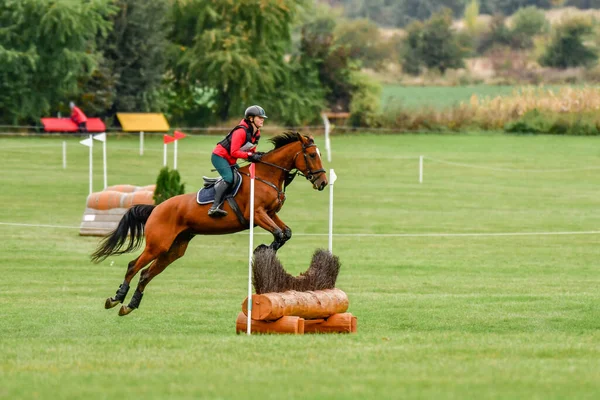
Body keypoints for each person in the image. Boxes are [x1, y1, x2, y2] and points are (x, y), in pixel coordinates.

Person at [207, 105, 267, 217]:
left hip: (230, 159)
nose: (262, 119)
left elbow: (250, 150)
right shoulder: (241, 131)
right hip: (219, 156)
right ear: (251, 118)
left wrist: (256, 155)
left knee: (242, 178)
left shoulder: (256, 133)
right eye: (259, 117)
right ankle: (214, 207)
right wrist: (250, 155)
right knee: (229, 178)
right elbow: (234, 152)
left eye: (262, 117)